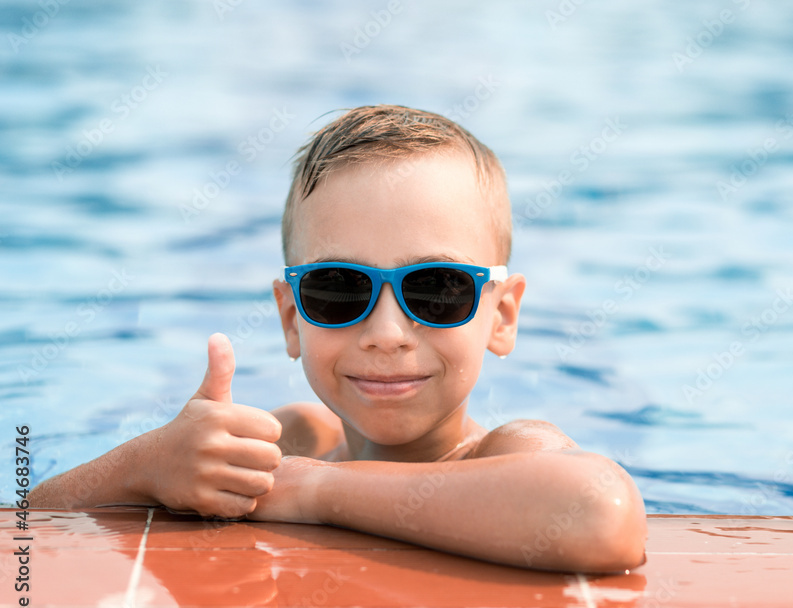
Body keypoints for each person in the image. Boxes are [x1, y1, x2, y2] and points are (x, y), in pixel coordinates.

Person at [28, 105, 647, 572]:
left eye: (436, 289)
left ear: (502, 316)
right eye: (338, 289)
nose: (385, 333)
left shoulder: (508, 452)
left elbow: (599, 512)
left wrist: (313, 491)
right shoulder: (296, 437)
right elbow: (32, 527)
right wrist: (149, 462)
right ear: (292, 317)